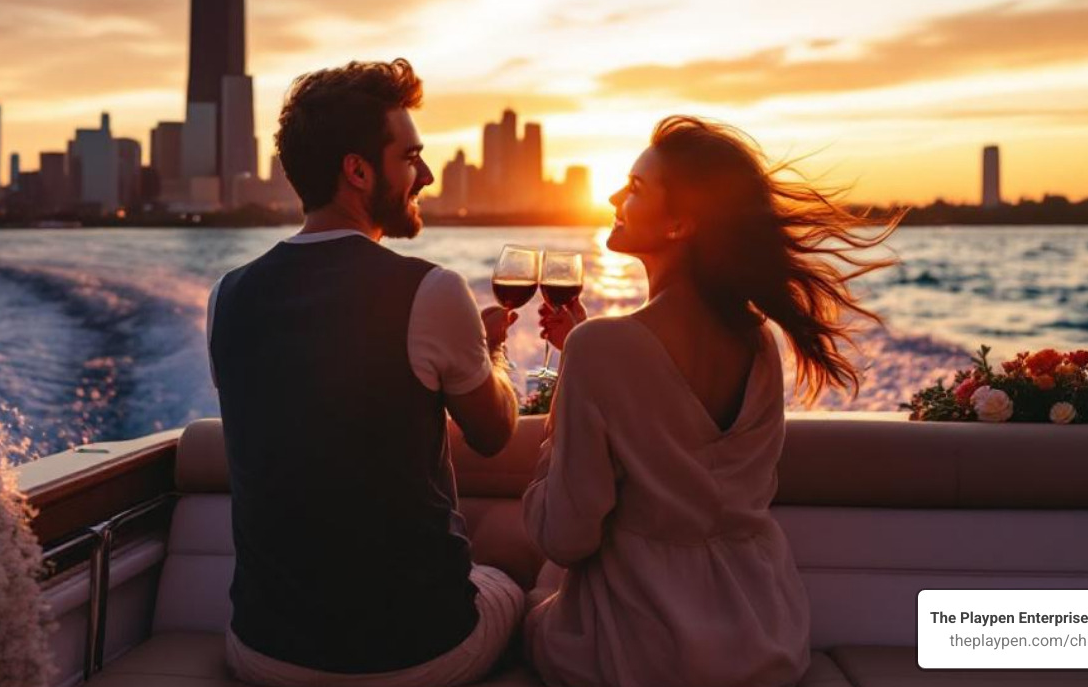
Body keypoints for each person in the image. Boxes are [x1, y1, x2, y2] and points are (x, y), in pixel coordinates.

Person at [522, 116, 903, 687]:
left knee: (529, 594)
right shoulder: (760, 342)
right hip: (765, 640)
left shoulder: (599, 348)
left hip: (642, 653)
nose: (613, 196)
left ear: (680, 225)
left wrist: (574, 381)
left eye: (636, 188)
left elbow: (566, 536)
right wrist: (584, 357)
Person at [207, 59, 526, 687]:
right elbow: (494, 435)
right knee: (514, 579)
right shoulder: (430, 290)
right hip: (412, 656)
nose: (426, 175)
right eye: (410, 157)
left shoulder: (228, 295)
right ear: (357, 169)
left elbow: (302, 407)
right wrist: (490, 355)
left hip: (260, 652)